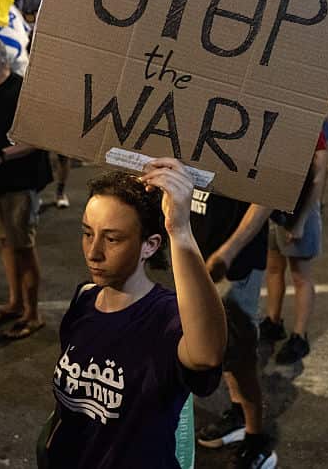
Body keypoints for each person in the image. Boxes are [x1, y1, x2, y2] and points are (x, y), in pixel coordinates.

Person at [43, 164, 226, 469]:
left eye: (112, 239)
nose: (93, 252)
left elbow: (207, 354)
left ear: (149, 245)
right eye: (88, 233)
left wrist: (179, 230)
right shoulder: (84, 299)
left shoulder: (167, 317)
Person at [0, 36, 52, 339]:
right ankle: (15, 303)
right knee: (6, 244)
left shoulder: (19, 90)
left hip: (21, 182)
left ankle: (33, 314)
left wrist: (1, 156)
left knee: (24, 248)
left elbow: (36, 139)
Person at [190, 192, 277, 469]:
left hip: (234, 261)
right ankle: (239, 413)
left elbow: (267, 194)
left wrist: (229, 251)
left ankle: (256, 439)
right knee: (223, 348)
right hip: (201, 251)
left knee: (240, 354)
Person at [262, 130, 328, 366]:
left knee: (300, 276)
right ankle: (273, 321)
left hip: (300, 211)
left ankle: (300, 336)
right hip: (273, 208)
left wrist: (299, 222)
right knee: (273, 268)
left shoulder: (309, 123)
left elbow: (318, 174)